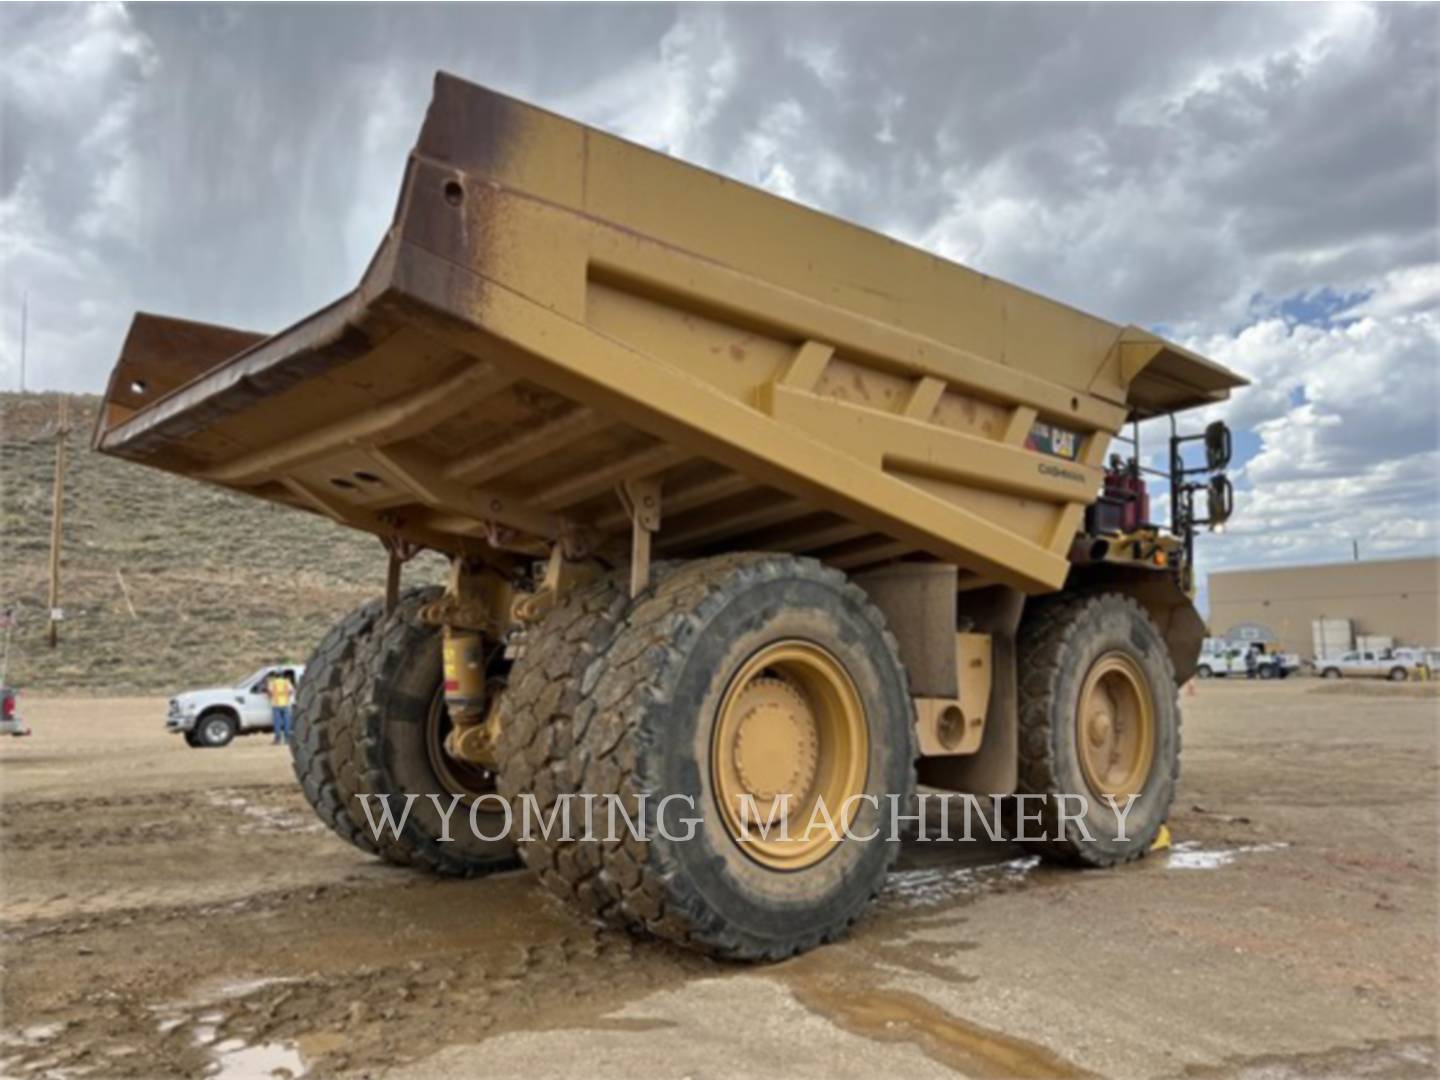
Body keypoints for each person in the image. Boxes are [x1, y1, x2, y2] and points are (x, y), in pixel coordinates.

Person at [267, 668, 295, 745]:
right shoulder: (286, 682)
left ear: (276, 675)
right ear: (282, 675)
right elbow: (291, 691)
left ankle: (277, 739)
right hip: (285, 704)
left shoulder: (272, 683)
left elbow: (269, 693)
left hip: (276, 704)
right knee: (287, 722)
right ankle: (287, 739)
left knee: (277, 722)